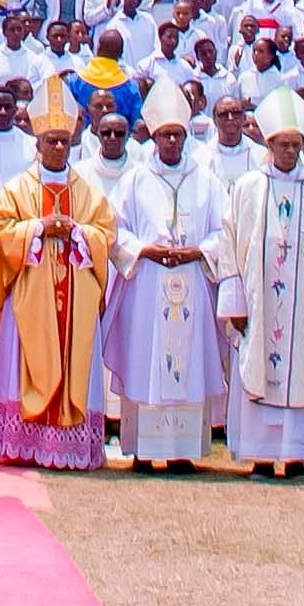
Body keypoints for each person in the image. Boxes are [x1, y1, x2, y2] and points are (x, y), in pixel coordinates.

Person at [0, 74, 115, 469]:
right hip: (29, 302)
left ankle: (69, 446)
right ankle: (23, 443)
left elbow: (105, 233)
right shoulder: (18, 189)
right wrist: (39, 228)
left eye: (63, 140)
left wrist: (75, 231)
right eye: (49, 141)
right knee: (23, 360)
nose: (57, 147)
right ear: (36, 143)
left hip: (75, 302)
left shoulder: (87, 191)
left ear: (72, 141)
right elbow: (1, 228)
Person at [217, 91, 304, 474]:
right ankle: (260, 455)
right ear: (268, 143)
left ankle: (295, 457)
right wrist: (235, 302)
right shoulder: (247, 188)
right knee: (258, 364)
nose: (290, 152)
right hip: (260, 304)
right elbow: (231, 245)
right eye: (283, 144)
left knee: (303, 367)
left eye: (296, 145)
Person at [106, 99, 221, 469]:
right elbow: (115, 229)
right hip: (147, 282)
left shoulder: (206, 180)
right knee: (145, 359)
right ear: (153, 137)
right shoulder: (135, 179)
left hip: (191, 278)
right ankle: (143, 449)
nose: (172, 141)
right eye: (165, 135)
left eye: (177, 135)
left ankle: (182, 451)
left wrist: (199, 250)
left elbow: (225, 232)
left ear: (186, 136)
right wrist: (143, 250)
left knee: (187, 364)